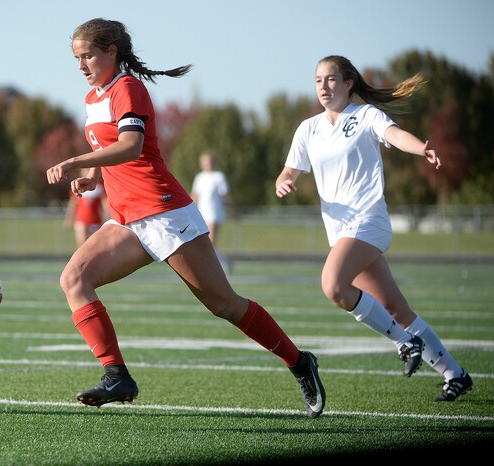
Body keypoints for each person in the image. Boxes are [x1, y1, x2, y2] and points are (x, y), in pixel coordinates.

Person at [46, 18, 325, 418]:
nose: (81, 65)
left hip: (164, 211)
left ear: (111, 51)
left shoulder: (128, 88)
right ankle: (116, 374)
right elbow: (110, 150)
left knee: (224, 304)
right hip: (127, 218)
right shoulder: (94, 97)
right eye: (76, 58)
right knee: (73, 279)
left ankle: (300, 362)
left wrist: (76, 162)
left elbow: (131, 146)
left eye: (87, 55)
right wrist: (91, 176)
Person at [275, 55, 472, 402]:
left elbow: (394, 135)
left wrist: (421, 149)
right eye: (318, 80)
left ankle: (403, 342)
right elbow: (290, 170)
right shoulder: (308, 129)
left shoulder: (365, 115)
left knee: (333, 285)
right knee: (396, 310)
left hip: (369, 222)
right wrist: (284, 181)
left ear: (349, 83)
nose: (324, 86)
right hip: (341, 233)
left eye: (331, 79)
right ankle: (455, 373)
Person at [190, 151, 238, 271]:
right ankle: (225, 261)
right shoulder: (199, 177)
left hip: (215, 214)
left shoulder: (219, 177)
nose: (208, 164)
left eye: (210, 161)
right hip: (202, 215)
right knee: (205, 244)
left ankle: (215, 267)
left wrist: (234, 212)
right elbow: (194, 196)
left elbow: (226, 196)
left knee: (210, 243)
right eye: (205, 162)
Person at [63, 169, 109, 247]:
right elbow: (73, 204)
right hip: (81, 220)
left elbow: (105, 204)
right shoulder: (77, 187)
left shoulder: (99, 187)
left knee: (95, 245)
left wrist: (107, 217)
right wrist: (69, 218)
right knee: (82, 245)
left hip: (96, 221)